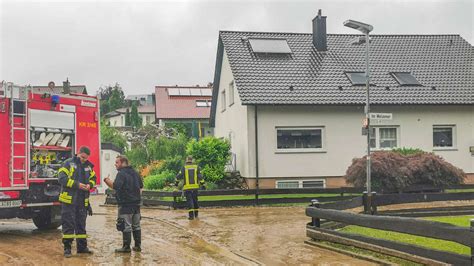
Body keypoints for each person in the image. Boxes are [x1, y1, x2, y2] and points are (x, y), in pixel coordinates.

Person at [57, 146, 96, 258]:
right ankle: (67, 249)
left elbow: (94, 178)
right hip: (69, 200)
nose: (84, 159)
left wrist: (90, 185)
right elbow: (61, 178)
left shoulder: (89, 166)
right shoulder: (67, 163)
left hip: (82, 200)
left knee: (81, 225)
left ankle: (82, 248)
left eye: (86, 158)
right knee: (68, 224)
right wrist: (77, 185)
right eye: (82, 157)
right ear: (78, 153)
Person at [103, 155, 143, 253]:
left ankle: (126, 247)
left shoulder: (121, 174)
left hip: (125, 205)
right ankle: (137, 246)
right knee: (136, 226)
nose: (115, 164)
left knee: (126, 226)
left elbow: (116, 186)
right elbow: (141, 188)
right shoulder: (135, 173)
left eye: (117, 162)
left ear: (123, 162)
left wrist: (106, 181)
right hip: (136, 205)